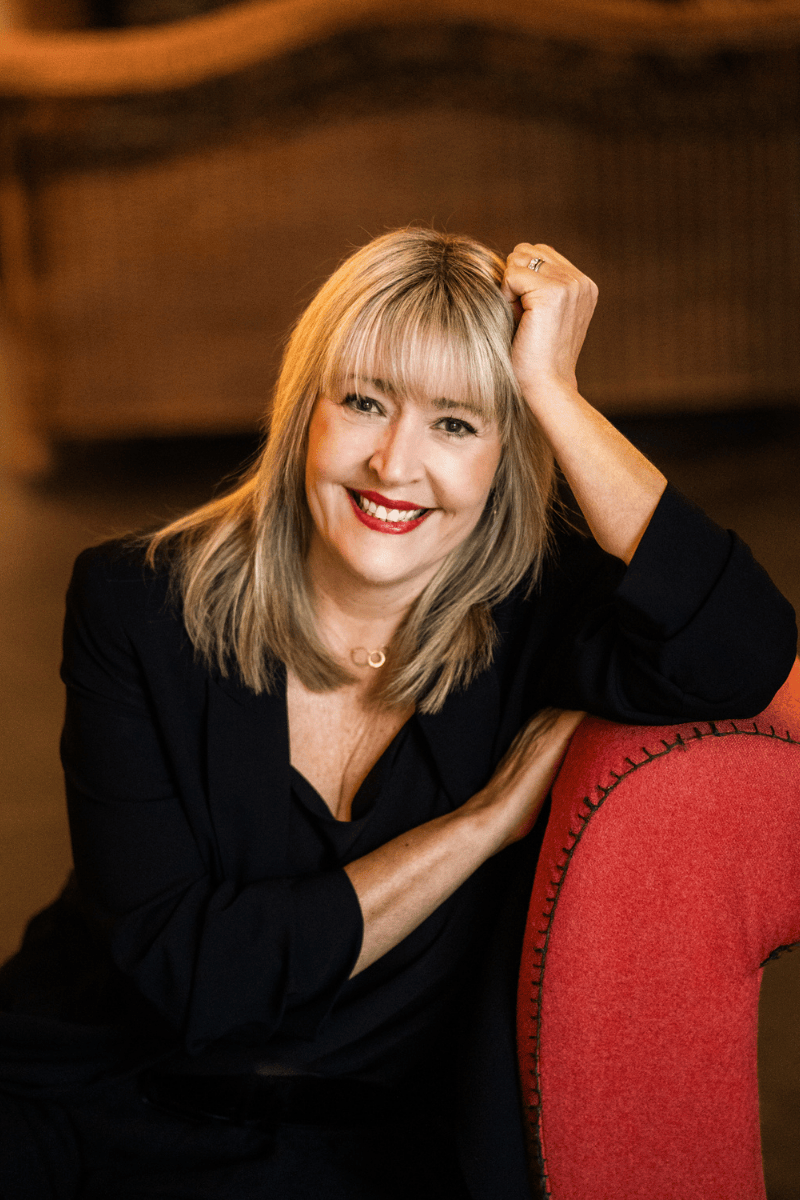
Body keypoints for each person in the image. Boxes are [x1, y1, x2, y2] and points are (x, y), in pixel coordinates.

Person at [0, 228, 795, 1200]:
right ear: (305, 414)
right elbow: (194, 979)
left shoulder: (539, 618)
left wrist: (555, 392)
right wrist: (476, 830)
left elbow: (742, 656)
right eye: (364, 402)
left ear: (508, 456)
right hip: (85, 1105)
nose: (392, 462)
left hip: (364, 1152)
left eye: (456, 424)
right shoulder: (140, 606)